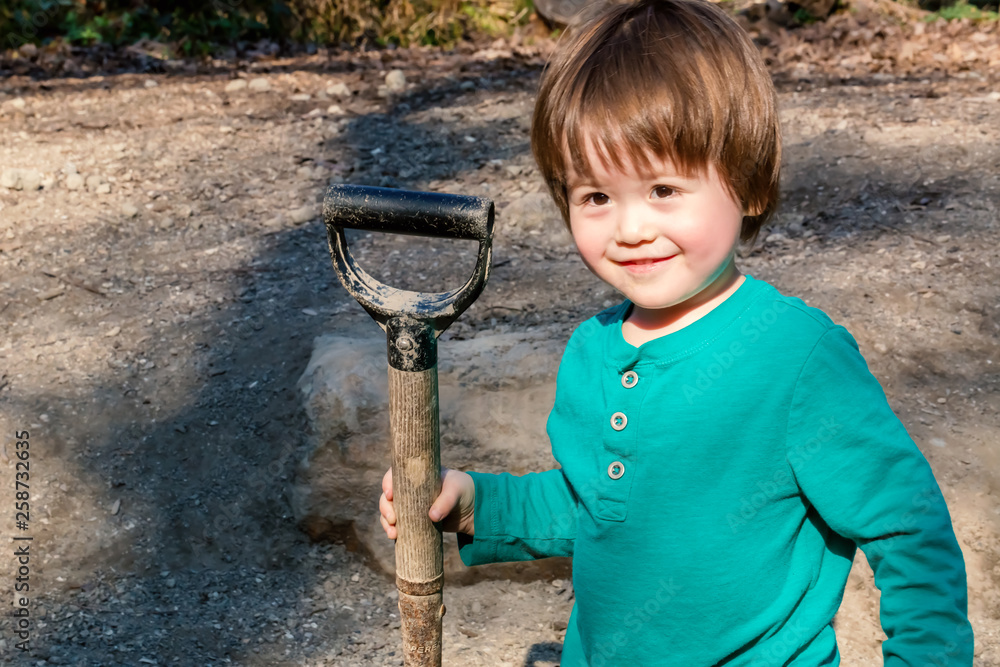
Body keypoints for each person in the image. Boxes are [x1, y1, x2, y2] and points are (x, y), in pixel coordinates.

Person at [379, 0, 973, 664]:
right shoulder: (593, 351)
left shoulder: (796, 359)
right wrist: (478, 503)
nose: (630, 228)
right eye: (597, 197)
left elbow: (910, 528)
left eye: (663, 188)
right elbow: (594, 507)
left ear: (746, 184)